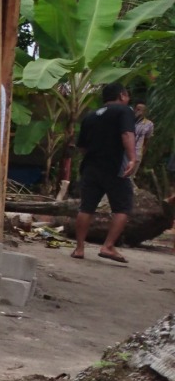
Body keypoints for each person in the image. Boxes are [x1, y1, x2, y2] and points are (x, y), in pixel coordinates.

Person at [70, 83, 136, 264]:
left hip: (91, 167)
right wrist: (132, 158)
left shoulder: (90, 116)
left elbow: (82, 147)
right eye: (127, 95)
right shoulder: (124, 111)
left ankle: (79, 248)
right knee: (123, 208)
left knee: (86, 207)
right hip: (115, 166)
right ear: (121, 95)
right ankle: (108, 246)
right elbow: (127, 134)